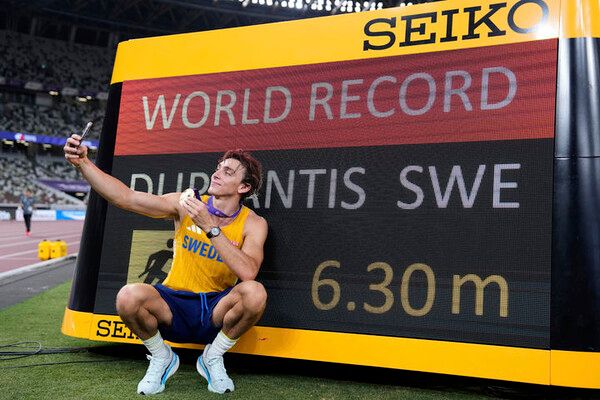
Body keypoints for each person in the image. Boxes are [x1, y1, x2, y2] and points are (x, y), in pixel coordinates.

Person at [64, 133, 268, 395]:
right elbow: (126, 198)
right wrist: (83, 163)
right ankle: (162, 356)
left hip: (215, 307)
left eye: (227, 172)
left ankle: (213, 356)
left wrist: (210, 227)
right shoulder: (187, 204)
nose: (217, 174)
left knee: (255, 293)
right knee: (128, 297)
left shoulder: (254, 223)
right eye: (218, 168)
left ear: (244, 187)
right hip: (174, 304)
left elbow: (249, 272)